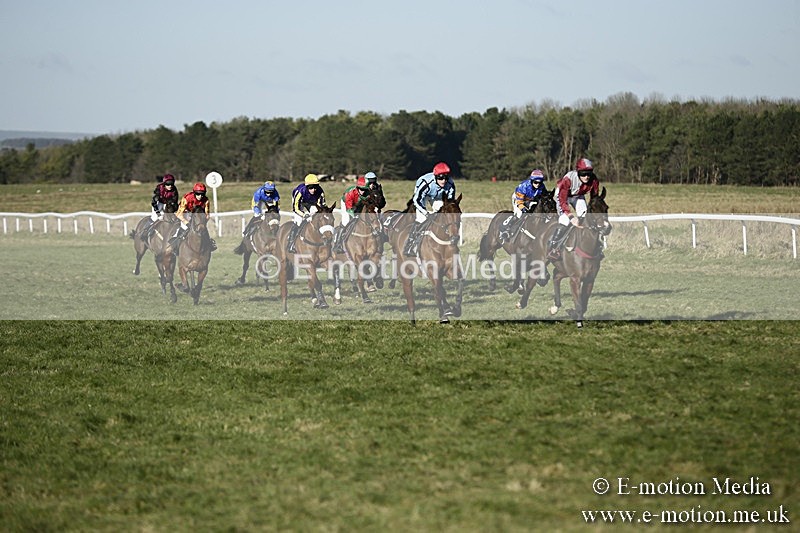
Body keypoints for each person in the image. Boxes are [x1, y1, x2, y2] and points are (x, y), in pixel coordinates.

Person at [547, 158, 600, 260]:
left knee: (585, 216)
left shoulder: (594, 180)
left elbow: (594, 198)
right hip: (562, 196)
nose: (586, 177)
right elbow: (562, 201)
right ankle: (553, 247)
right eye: (583, 174)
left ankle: (586, 245)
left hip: (578, 195)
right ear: (578, 172)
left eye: (589, 173)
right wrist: (571, 217)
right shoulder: (568, 179)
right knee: (565, 220)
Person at [403, 162, 455, 256]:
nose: (443, 181)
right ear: (435, 177)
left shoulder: (450, 184)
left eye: (445, 178)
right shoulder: (426, 183)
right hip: (423, 196)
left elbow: (449, 203)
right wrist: (426, 213)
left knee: (442, 216)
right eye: (440, 178)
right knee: (421, 218)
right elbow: (417, 200)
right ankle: (410, 244)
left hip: (437, 196)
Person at [498, 169, 549, 242]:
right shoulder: (523, 186)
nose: (538, 184)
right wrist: (523, 208)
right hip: (518, 199)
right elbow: (519, 201)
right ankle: (506, 229)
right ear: (531, 181)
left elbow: (545, 197)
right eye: (536, 182)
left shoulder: (542, 187)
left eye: (540, 183)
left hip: (531, 200)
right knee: (519, 214)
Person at [168, 182, 217, 251]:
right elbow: (179, 214)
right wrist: (187, 223)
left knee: (203, 228)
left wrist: (203, 223)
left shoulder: (206, 200)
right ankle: (175, 244)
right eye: (198, 194)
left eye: (202, 194)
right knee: (184, 227)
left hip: (197, 214)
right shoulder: (187, 198)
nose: (200, 196)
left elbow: (207, 215)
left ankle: (209, 243)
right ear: (194, 193)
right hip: (185, 212)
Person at [287, 173, 328, 253]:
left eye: (315, 187)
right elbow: (295, 208)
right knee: (298, 221)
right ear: (306, 187)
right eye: (311, 187)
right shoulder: (300, 191)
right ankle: (291, 243)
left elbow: (321, 206)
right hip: (300, 203)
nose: (313, 190)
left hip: (311, 202)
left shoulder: (320, 191)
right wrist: (304, 215)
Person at [333, 176, 372, 253]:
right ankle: (338, 243)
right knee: (346, 221)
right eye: (361, 189)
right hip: (346, 204)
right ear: (357, 187)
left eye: (365, 189)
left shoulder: (368, 193)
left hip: (358, 204)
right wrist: (355, 216)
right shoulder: (350, 193)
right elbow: (349, 209)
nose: (363, 192)